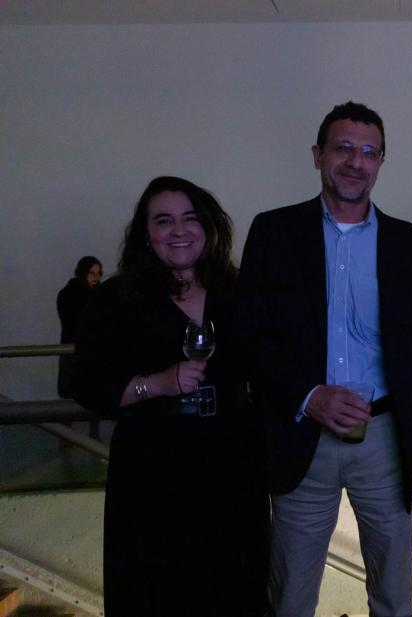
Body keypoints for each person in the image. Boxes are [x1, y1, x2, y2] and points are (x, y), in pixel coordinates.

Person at [235, 102, 412, 617]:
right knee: (290, 597)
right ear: (318, 155)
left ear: (381, 162)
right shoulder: (274, 233)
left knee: (395, 596)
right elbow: (249, 336)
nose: (356, 161)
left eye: (370, 152)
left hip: (387, 440)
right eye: (344, 148)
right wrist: (309, 396)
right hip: (301, 435)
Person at [74, 176, 269, 617]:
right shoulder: (116, 299)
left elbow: (270, 367)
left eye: (190, 218)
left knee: (236, 591)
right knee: (157, 594)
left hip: (233, 466)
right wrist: (156, 383)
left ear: (209, 227)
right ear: (146, 233)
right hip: (152, 470)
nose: (178, 230)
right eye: (163, 221)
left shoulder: (239, 292)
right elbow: (86, 384)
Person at [56, 255, 102, 399]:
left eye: (99, 273)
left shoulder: (67, 293)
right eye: (92, 273)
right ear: (83, 273)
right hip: (79, 351)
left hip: (73, 349)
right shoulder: (90, 296)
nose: (96, 277)